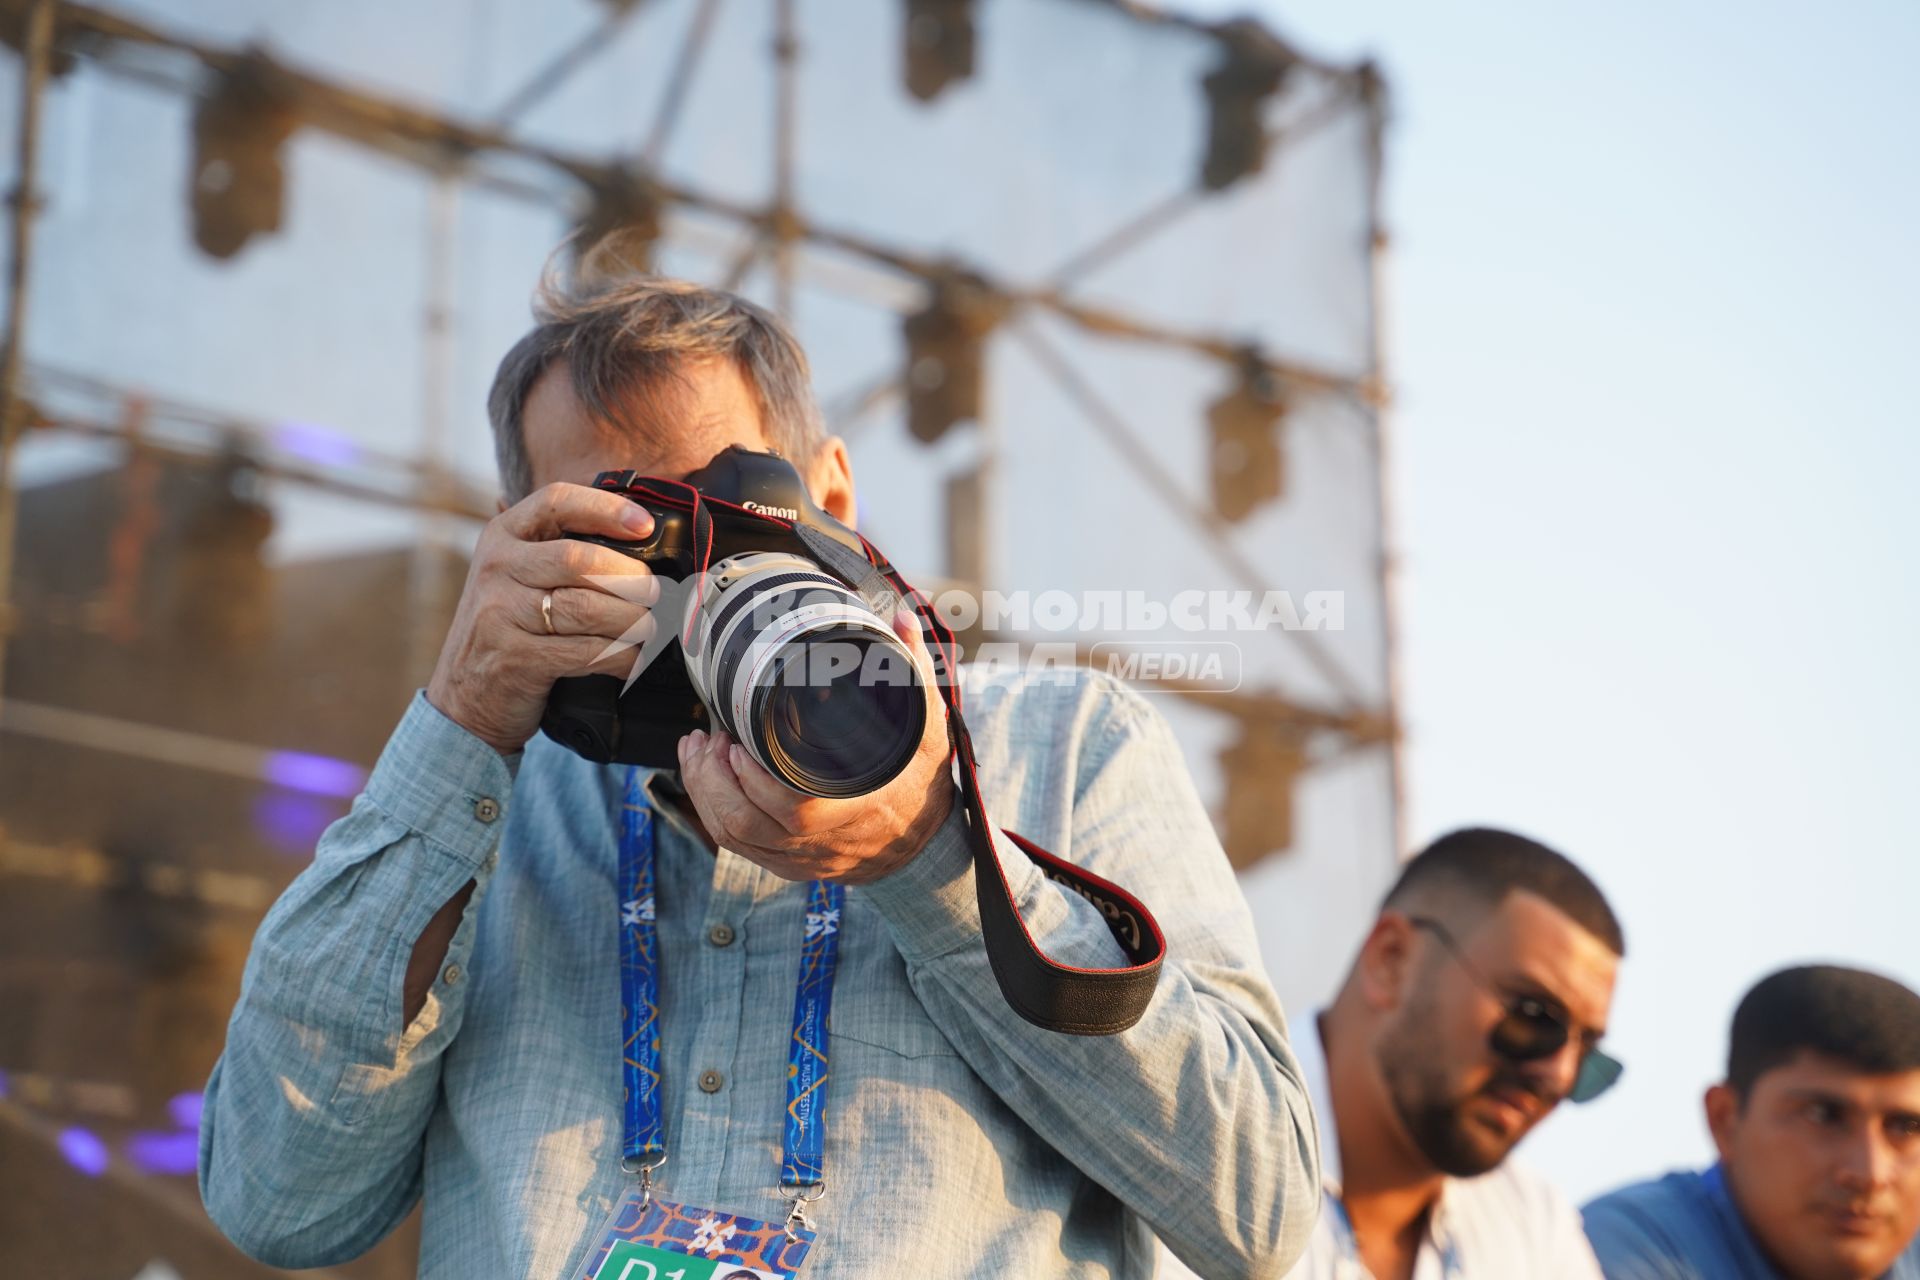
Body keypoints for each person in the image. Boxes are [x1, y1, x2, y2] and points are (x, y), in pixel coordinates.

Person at [195, 261, 1321, 1279]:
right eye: (623, 534)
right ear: (522, 542)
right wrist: (460, 726)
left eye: (723, 517)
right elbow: (277, 1200)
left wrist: (932, 856)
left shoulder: (1069, 742)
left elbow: (1260, 1213)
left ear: (832, 500)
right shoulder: (489, 798)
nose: (684, 586)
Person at [1173, 827, 1623, 1279]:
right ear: (1392, 960)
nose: (1558, 1074)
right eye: (1533, 1016)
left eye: (1587, 1052)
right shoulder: (1188, 1150)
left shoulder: (1533, 1230)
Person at [1584, 964, 1920, 1280]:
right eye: (1824, 1116)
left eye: (1906, 1127)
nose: (1869, 1174)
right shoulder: (1624, 1248)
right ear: (1725, 1120)